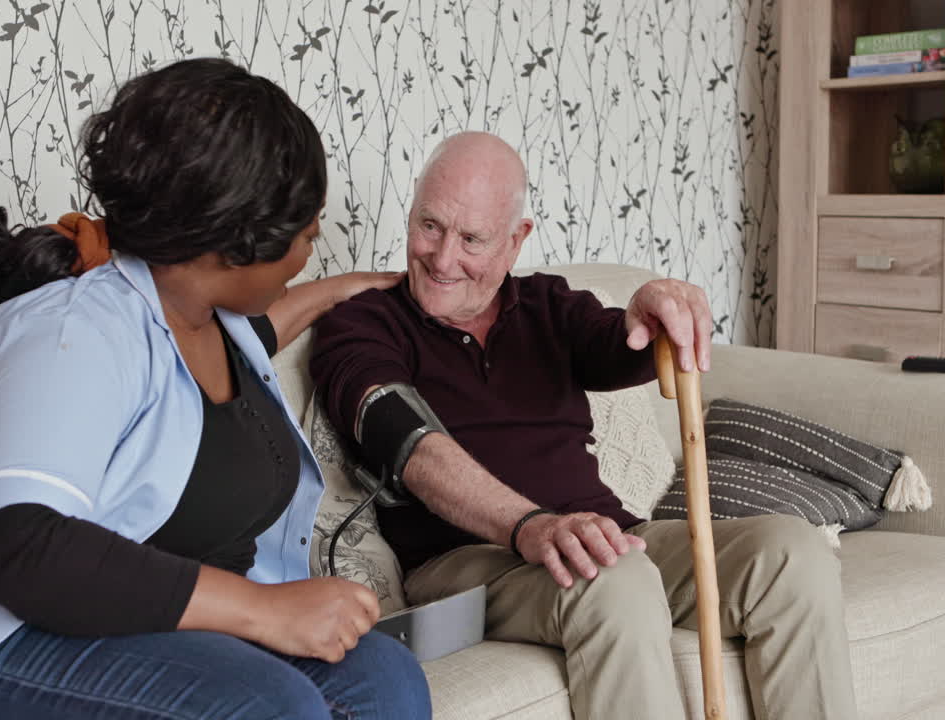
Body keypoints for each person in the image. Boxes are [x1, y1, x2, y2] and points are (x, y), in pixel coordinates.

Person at [0, 58, 431, 720]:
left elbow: (241, 349)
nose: (308, 255)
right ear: (236, 248)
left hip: (151, 637)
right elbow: (20, 546)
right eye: (306, 237)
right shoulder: (71, 331)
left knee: (382, 676)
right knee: (270, 706)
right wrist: (262, 609)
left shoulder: (211, 326)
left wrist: (346, 289)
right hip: (3, 638)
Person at [309, 131, 858, 719]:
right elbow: (411, 448)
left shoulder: (548, 306)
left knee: (792, 550)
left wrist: (655, 306)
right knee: (612, 576)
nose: (443, 259)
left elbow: (624, 342)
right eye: (430, 226)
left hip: (609, 537)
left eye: (471, 239)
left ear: (516, 241)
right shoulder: (363, 324)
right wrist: (531, 526)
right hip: (467, 564)